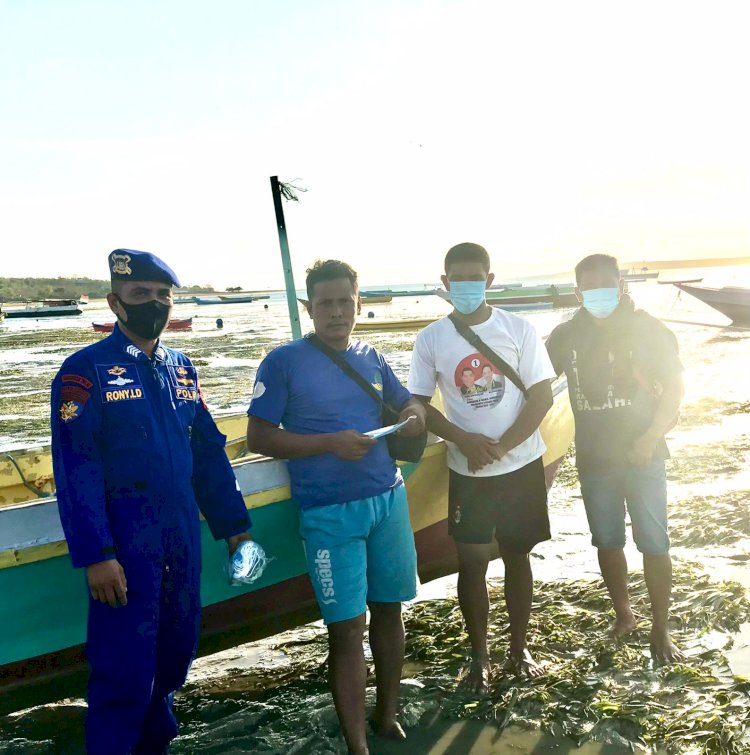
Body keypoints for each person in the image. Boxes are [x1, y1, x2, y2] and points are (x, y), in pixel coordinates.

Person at [51, 249, 252, 755]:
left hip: (181, 539)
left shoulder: (181, 368)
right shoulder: (85, 372)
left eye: (163, 296)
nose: (155, 305)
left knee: (172, 659)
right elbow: (76, 467)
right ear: (114, 303)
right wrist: (97, 555)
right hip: (127, 544)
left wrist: (236, 529)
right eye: (142, 295)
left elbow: (207, 454)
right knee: (124, 672)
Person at [246, 259, 426, 755]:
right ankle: (357, 745)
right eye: (324, 303)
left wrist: (412, 415)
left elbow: (408, 400)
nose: (336, 312)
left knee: (390, 610)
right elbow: (258, 435)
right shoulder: (283, 361)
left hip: (388, 499)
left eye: (345, 301)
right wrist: (328, 443)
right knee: (347, 629)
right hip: (329, 512)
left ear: (358, 304)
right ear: (308, 308)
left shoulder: (371, 354)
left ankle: (387, 716)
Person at [408, 242, 556, 693]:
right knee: (471, 564)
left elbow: (543, 395)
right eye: (458, 280)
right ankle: (479, 656)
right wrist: (463, 440)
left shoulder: (519, 328)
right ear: (446, 283)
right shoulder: (431, 338)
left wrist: (502, 447)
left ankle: (518, 648)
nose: (467, 287)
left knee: (517, 556)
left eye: (477, 279)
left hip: (522, 464)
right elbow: (417, 402)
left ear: (489, 281)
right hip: (467, 469)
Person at [546, 253, 684, 663]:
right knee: (607, 541)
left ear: (622, 285)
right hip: (594, 459)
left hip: (645, 455)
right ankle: (624, 613)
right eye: (591, 288)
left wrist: (649, 438)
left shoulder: (649, 329)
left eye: (608, 285)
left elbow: (675, 389)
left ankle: (660, 627)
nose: (600, 295)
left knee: (655, 543)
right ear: (578, 292)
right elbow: (533, 382)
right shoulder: (565, 336)